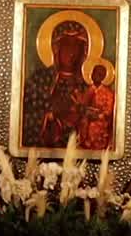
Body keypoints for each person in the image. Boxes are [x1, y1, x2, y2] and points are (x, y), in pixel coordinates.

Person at [24, 20, 91, 148]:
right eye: (67, 46)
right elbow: (26, 116)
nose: (72, 53)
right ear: (56, 49)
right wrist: (51, 114)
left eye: (77, 47)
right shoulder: (40, 79)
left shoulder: (85, 84)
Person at [78, 63, 116, 151]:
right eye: (94, 73)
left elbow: (109, 110)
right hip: (86, 121)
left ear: (103, 77)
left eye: (98, 74)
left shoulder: (108, 93)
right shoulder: (88, 90)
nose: (95, 76)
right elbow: (82, 103)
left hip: (99, 124)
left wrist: (98, 116)